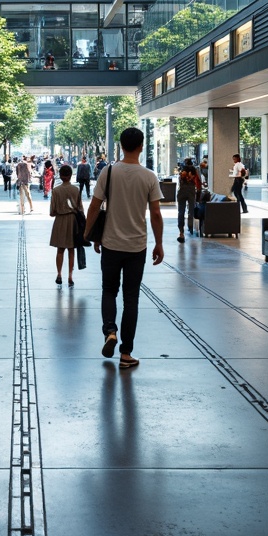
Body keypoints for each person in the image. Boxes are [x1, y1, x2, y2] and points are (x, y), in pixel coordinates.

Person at [84, 126, 163, 370]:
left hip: (110, 244)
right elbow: (156, 213)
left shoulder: (108, 172)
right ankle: (126, 353)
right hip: (136, 246)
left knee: (109, 290)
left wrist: (87, 234)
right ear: (141, 147)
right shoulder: (149, 176)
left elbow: (95, 207)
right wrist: (159, 243)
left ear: (120, 145)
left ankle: (110, 331)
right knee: (131, 298)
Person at [50, 164, 82, 286]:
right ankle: (70, 276)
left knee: (60, 250)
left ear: (61, 176)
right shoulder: (75, 190)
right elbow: (80, 208)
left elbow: (52, 212)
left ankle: (59, 274)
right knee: (71, 250)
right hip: (73, 221)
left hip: (60, 220)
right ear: (70, 175)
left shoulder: (56, 191)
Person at [176, 157, 202, 242]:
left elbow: (179, 182)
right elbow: (199, 185)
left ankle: (181, 232)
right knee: (191, 211)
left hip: (182, 193)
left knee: (181, 212)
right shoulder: (194, 173)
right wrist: (198, 194)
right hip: (191, 192)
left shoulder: (182, 173)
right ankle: (190, 227)